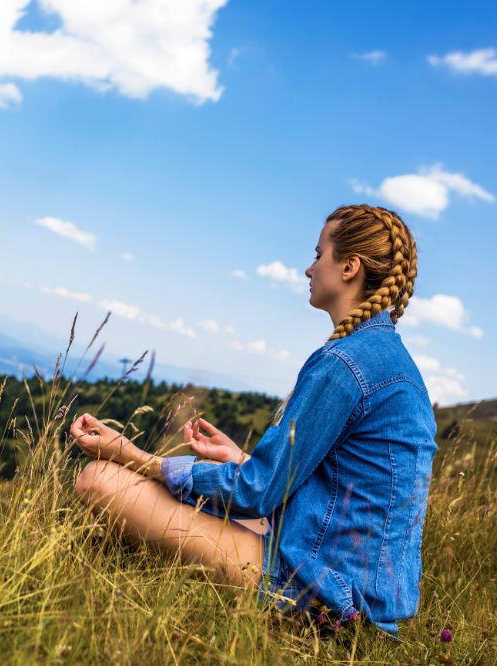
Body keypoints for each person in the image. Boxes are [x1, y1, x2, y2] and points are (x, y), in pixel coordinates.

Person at [69, 204, 437, 635]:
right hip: (363, 594)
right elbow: (343, 489)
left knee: (98, 478)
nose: (309, 268)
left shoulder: (343, 364)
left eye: (319, 255)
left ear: (350, 267)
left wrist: (134, 456)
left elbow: (258, 494)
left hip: (323, 595)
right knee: (183, 495)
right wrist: (243, 459)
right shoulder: (394, 364)